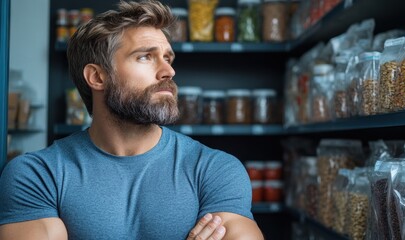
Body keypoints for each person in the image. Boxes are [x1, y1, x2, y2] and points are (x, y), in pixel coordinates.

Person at [0, 0, 264, 239]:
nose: (168, 71)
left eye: (168, 58)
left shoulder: (215, 170)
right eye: (145, 57)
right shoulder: (37, 174)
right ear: (97, 77)